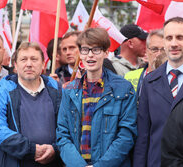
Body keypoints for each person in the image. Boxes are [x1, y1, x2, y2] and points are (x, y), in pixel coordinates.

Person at [56, 27, 137, 167]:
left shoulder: (123, 88)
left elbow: (126, 135)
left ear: (106, 52)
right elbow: (62, 135)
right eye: (85, 50)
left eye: (96, 50)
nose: (90, 55)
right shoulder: (70, 90)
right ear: (80, 54)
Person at [133, 17, 183, 167]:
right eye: (169, 38)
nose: (174, 43)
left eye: (180, 37)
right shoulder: (149, 82)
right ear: (164, 42)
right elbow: (143, 136)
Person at [0, 42, 62, 167]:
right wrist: (30, 149)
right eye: (23, 59)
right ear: (15, 65)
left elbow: (67, 127)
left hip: (52, 162)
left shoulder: (56, 90)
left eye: (34, 59)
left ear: (43, 64)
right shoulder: (3, 91)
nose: (29, 64)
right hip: (12, 162)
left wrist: (55, 149)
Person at [124, 29, 165, 94]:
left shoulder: (174, 78)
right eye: (154, 49)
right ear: (146, 51)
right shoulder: (130, 77)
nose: (159, 54)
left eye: (163, 49)